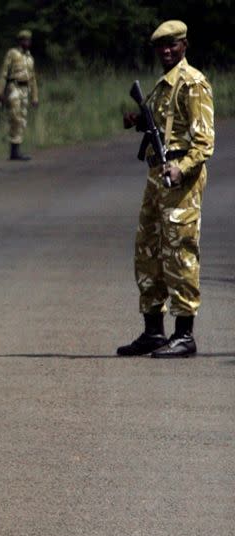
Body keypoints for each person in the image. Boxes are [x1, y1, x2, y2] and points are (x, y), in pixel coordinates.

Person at [118, 20, 214, 358]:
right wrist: (138, 121)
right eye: (161, 46)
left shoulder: (193, 83)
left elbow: (203, 143)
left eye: (173, 44)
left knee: (180, 252)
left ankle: (184, 335)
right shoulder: (163, 86)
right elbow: (163, 124)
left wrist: (181, 168)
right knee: (148, 250)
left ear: (185, 45)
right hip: (157, 176)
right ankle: (153, 332)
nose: (167, 50)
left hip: (180, 179)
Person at [0, 30, 39, 161]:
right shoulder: (12, 54)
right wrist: (0, 92)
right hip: (14, 87)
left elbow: (33, 79)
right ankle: (14, 149)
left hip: (25, 90)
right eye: (24, 40)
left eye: (28, 40)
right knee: (15, 117)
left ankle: (16, 149)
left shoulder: (30, 59)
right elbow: (4, 73)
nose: (26, 42)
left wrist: (35, 97)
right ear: (20, 41)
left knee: (22, 119)